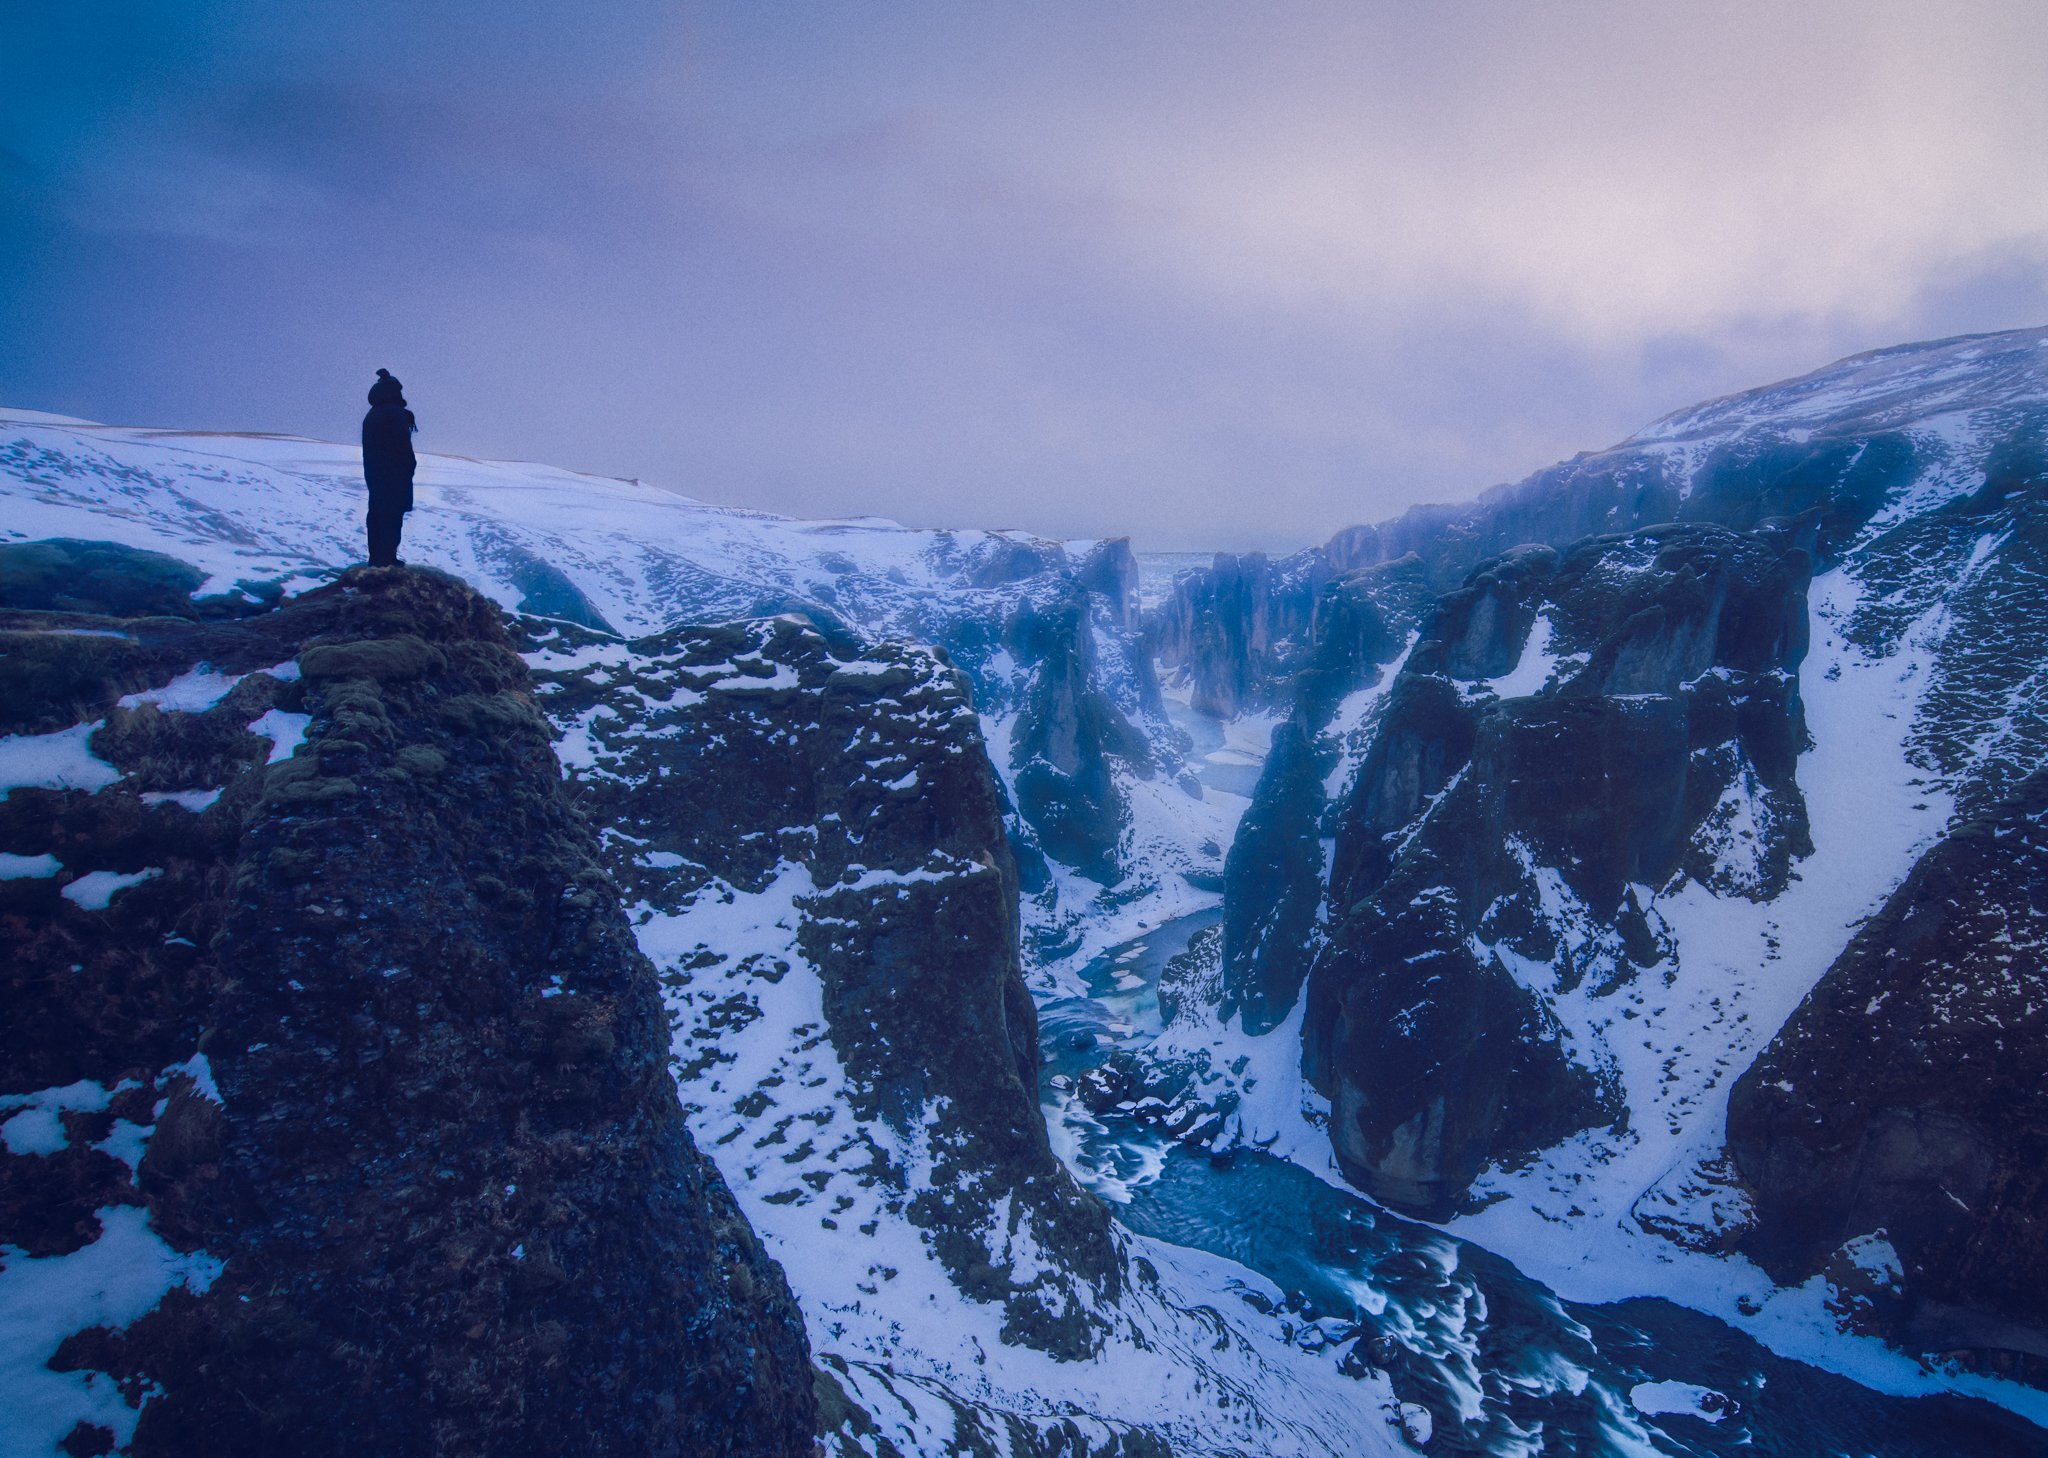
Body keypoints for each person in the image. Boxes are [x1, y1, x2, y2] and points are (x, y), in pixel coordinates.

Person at [361, 368, 417, 567]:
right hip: (393, 473)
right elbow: (402, 445)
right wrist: (410, 465)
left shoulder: (372, 414)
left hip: (375, 472)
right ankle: (387, 558)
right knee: (391, 514)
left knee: (377, 512)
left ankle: (377, 557)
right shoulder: (394, 413)